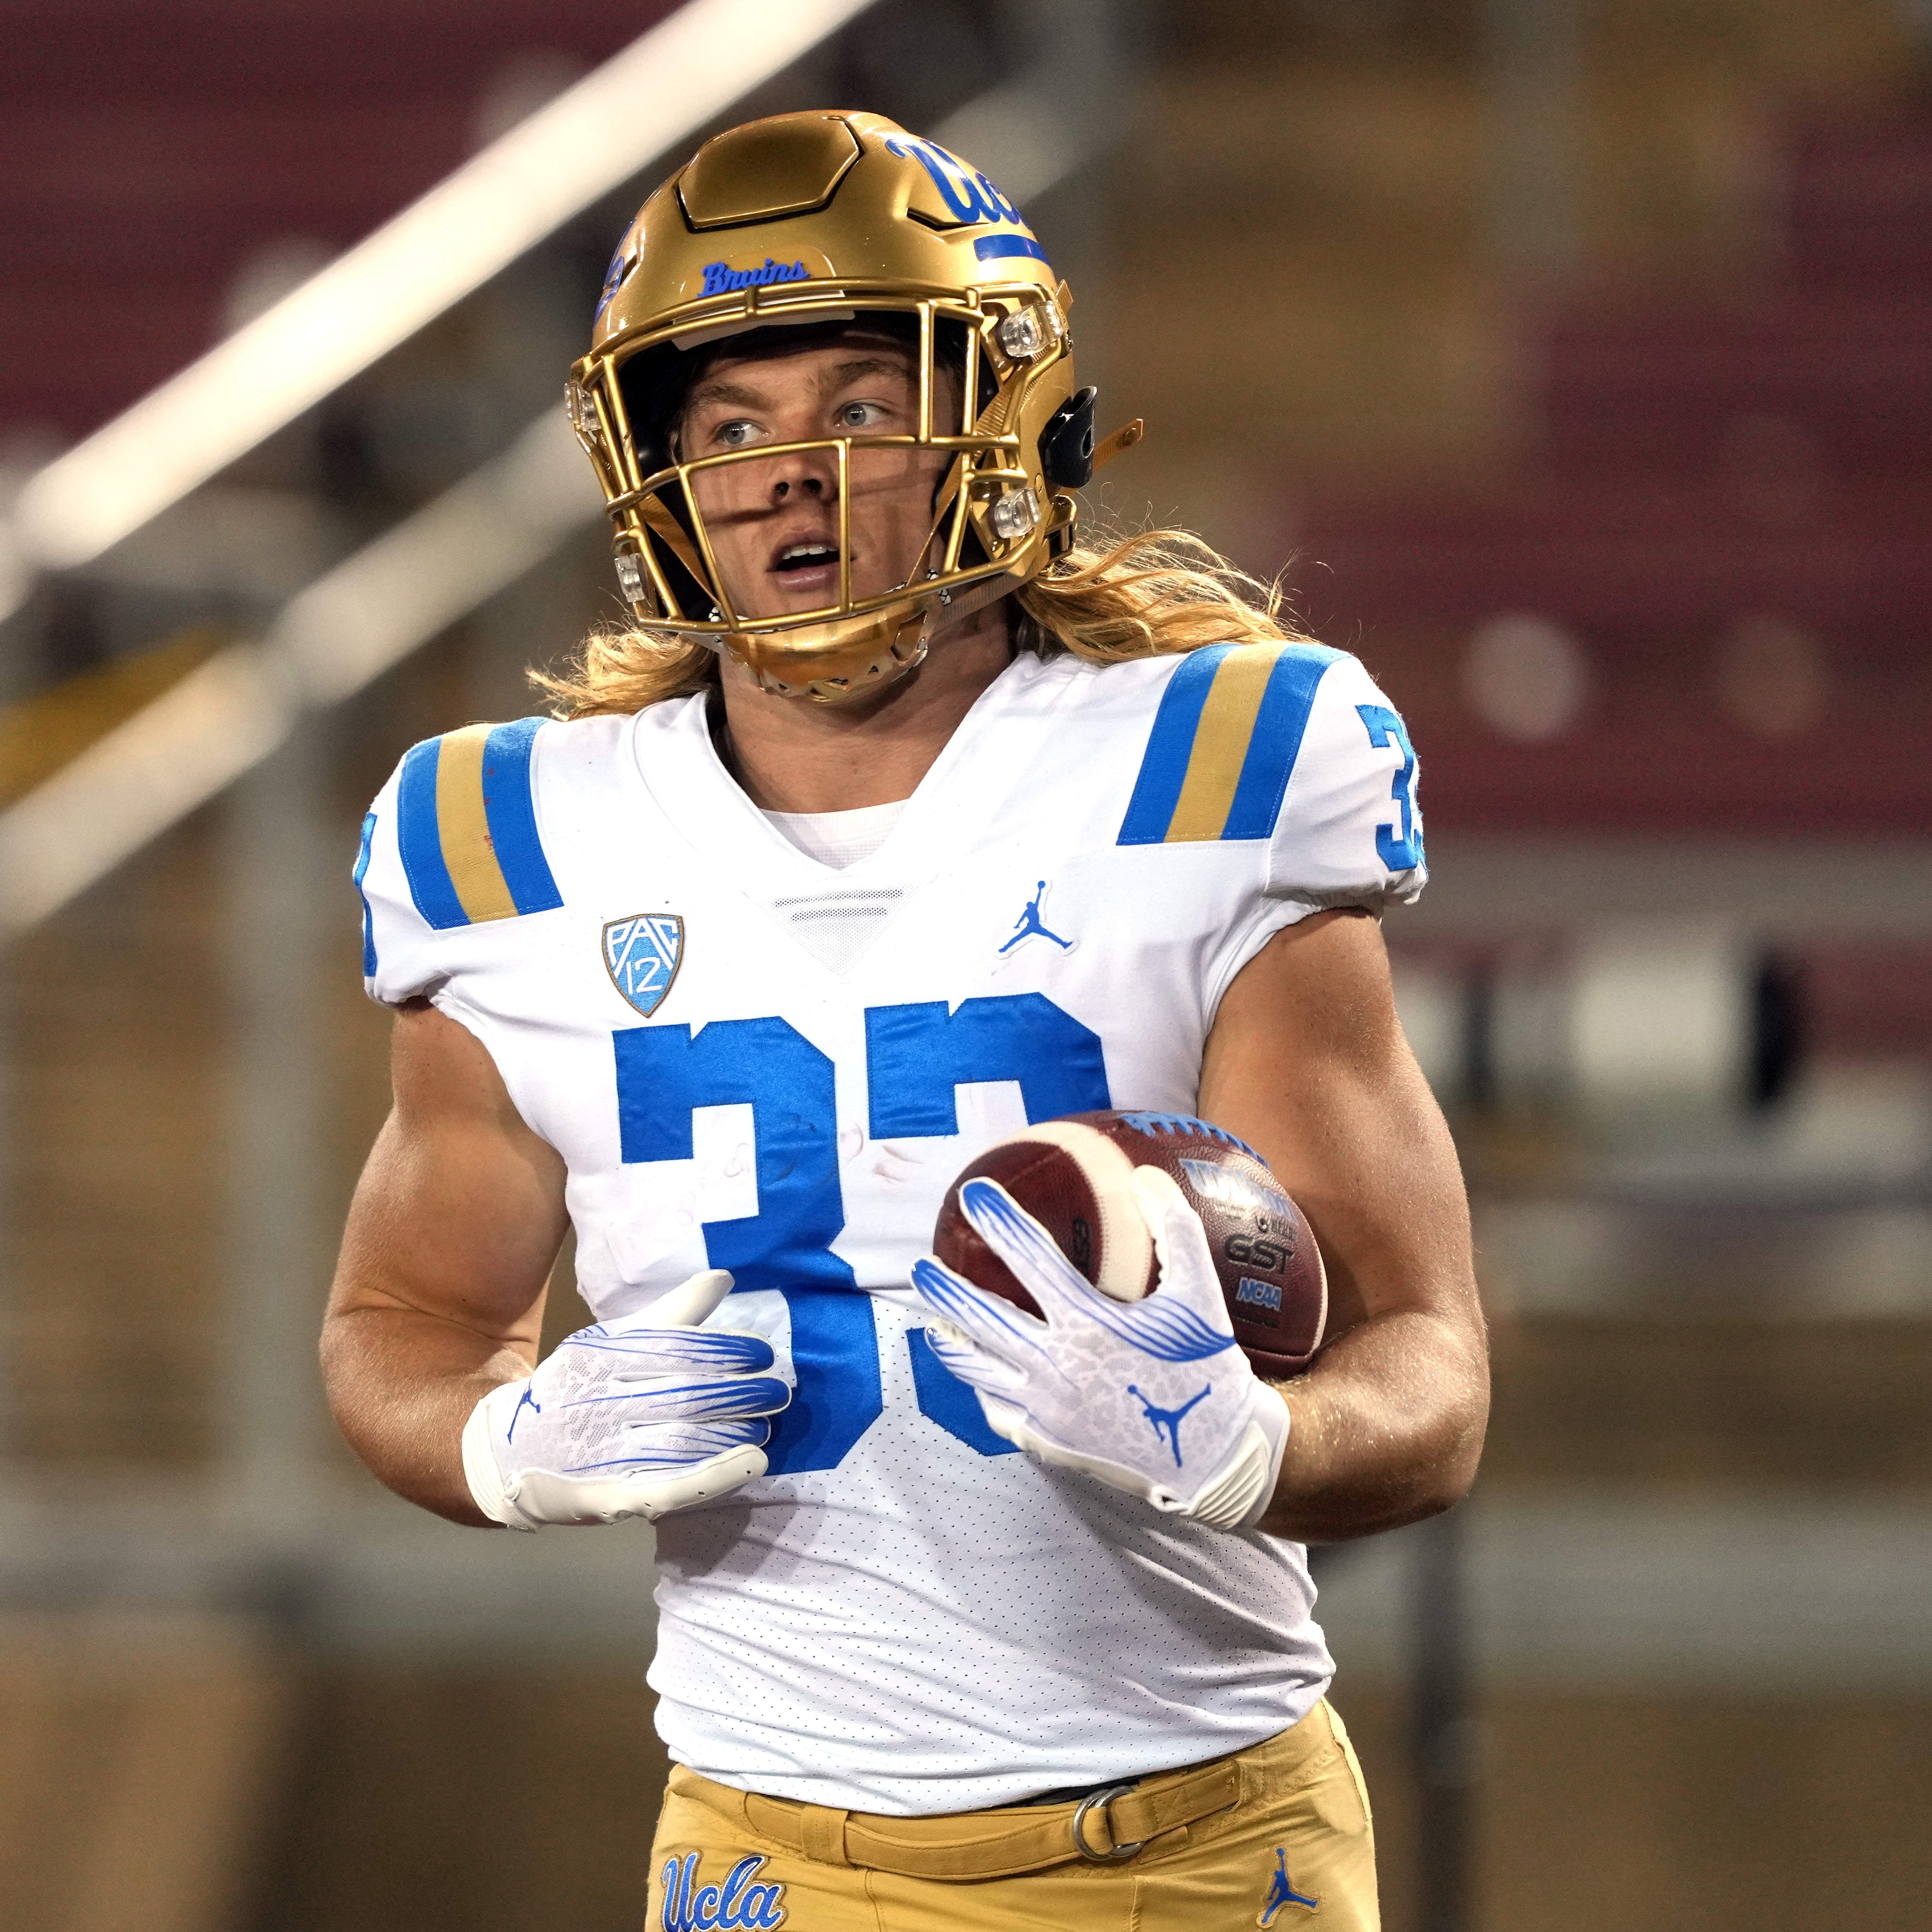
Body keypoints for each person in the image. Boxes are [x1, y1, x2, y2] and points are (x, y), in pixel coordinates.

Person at [321, 109, 1487, 1931]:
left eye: (859, 407)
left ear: (998, 423)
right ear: (656, 470)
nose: (789, 473)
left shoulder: (1208, 768)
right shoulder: (506, 844)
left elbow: (1428, 1362)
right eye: (727, 426)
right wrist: (505, 1443)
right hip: (763, 1852)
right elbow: (400, 1319)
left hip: (1183, 1837)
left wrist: (1253, 1444)